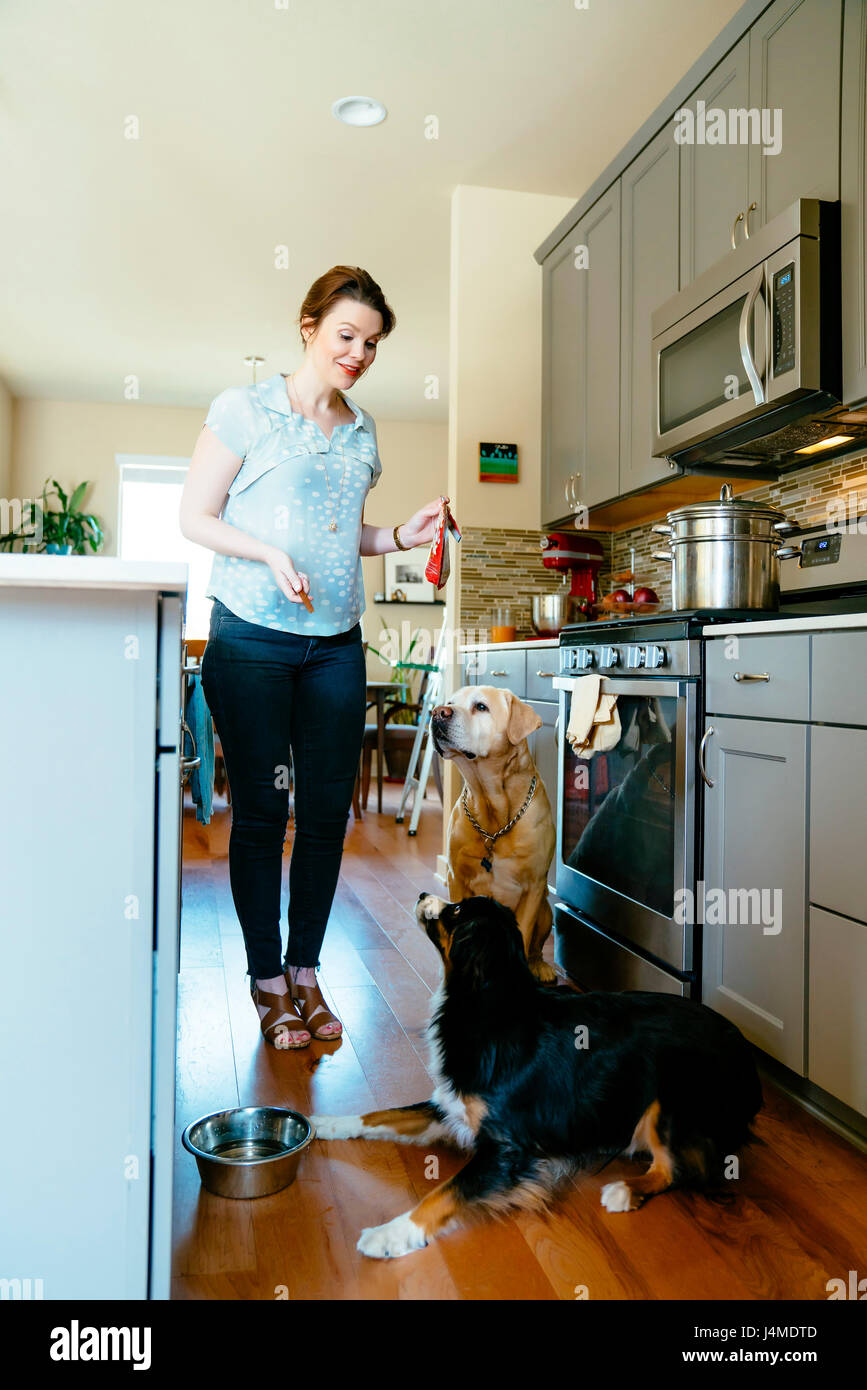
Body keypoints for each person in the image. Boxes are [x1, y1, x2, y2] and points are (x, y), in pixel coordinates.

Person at [180, 265, 445, 1049]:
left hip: (334, 644)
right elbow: (195, 516)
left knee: (326, 815)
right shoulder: (244, 410)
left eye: (371, 343)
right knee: (263, 810)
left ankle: (305, 971)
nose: (358, 353)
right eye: (345, 336)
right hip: (252, 639)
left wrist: (402, 535)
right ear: (309, 327)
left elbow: (346, 535)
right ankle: (266, 980)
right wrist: (264, 552)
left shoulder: (362, 429)